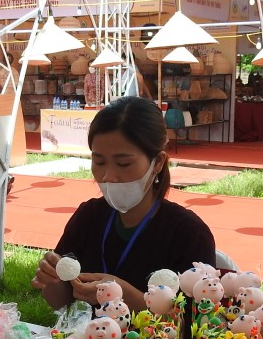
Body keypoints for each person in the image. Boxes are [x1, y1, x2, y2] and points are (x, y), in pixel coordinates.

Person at [31, 96, 216, 312]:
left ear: (157, 162)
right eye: (99, 162)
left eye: (123, 163)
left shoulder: (189, 233)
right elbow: (63, 302)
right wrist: (51, 279)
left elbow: (198, 323)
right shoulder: (89, 217)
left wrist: (123, 295)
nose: (109, 176)